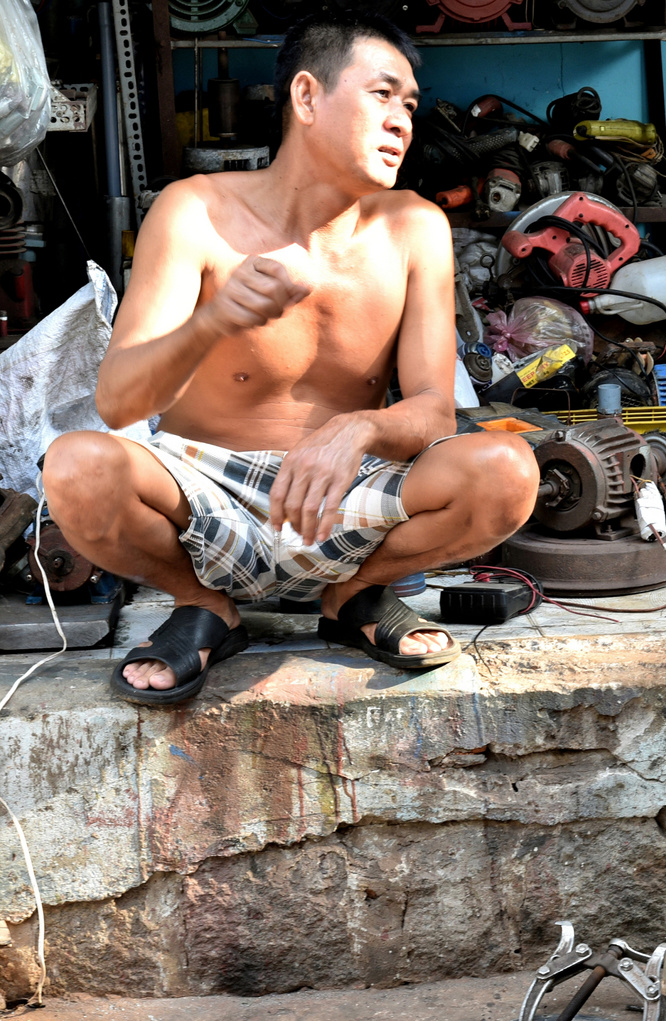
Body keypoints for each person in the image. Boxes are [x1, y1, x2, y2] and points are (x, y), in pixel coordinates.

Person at [40, 14, 540, 704]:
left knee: (507, 473)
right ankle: (204, 606)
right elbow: (119, 402)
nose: (402, 121)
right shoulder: (194, 212)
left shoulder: (415, 226)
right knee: (75, 467)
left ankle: (354, 597)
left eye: (410, 105)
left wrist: (358, 428)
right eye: (382, 95)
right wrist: (214, 321)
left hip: (348, 500)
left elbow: (433, 412)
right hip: (205, 496)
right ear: (306, 98)